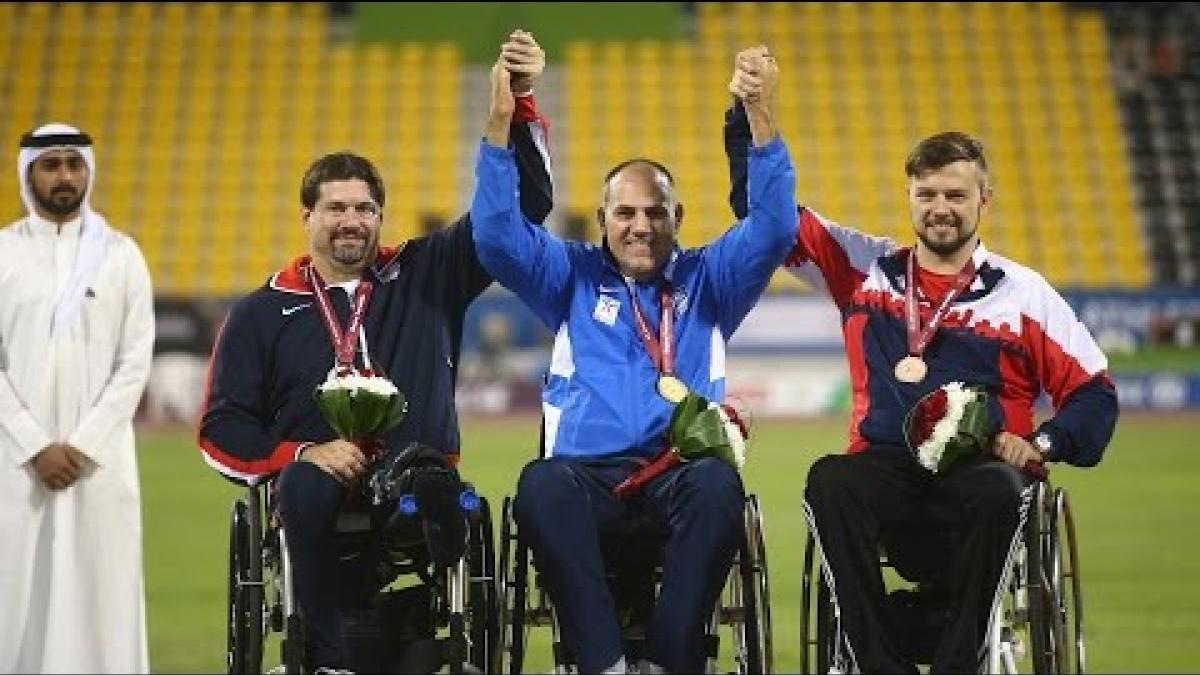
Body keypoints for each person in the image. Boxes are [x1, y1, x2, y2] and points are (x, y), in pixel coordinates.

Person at [197, 31, 552, 674]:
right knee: (303, 489)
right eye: (335, 207)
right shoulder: (259, 311)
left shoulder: (426, 272)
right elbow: (220, 428)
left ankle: (447, 643)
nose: (351, 220)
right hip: (313, 477)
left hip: (413, 474)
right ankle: (328, 660)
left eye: (364, 207)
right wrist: (298, 452)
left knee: (446, 497)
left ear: (382, 217)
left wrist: (516, 109)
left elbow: (519, 212)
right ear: (307, 216)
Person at [725, 106, 1120, 672]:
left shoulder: (1024, 296)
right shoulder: (869, 269)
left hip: (981, 475)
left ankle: (961, 661)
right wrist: (749, 119)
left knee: (999, 490)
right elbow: (768, 221)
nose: (940, 209)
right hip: (886, 467)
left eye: (956, 196)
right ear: (910, 195)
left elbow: (1095, 393)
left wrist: (1045, 443)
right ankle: (881, 662)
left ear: (985, 200)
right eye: (927, 193)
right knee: (831, 481)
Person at [470, 46, 796, 674]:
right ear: (601, 221)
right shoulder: (570, 275)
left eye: (655, 212)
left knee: (718, 483)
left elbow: (776, 227)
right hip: (587, 480)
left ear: (679, 218)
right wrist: (497, 126)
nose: (640, 225)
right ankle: (605, 664)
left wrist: (759, 111)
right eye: (625, 212)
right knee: (540, 485)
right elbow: (495, 235)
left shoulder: (712, 278)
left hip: (678, 475)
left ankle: (671, 663)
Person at [0, 123, 156, 673]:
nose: (64, 175)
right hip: (15, 464)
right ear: (28, 174)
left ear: (88, 170)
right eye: (51, 164)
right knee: (14, 590)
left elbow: (135, 360)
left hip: (101, 463)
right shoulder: (2, 255)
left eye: (74, 163)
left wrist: (83, 444)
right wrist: (34, 443)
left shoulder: (121, 256)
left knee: (102, 590)